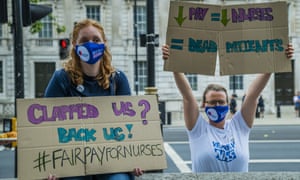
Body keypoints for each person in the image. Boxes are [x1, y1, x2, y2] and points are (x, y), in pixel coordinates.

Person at [161, 43, 294, 172]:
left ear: (228, 104)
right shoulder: (198, 129)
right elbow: (188, 96)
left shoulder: (239, 126)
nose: (217, 105)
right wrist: (174, 65)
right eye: (212, 102)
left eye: (221, 101)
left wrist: (274, 62)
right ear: (204, 105)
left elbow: (253, 95)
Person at [45, 19, 143, 180]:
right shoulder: (61, 79)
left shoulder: (118, 80)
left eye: (96, 40)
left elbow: (130, 125)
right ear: (75, 46)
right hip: (71, 163)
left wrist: (136, 159)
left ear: (104, 43)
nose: (91, 44)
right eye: (84, 41)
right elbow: (44, 126)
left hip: (111, 163)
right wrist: (49, 167)